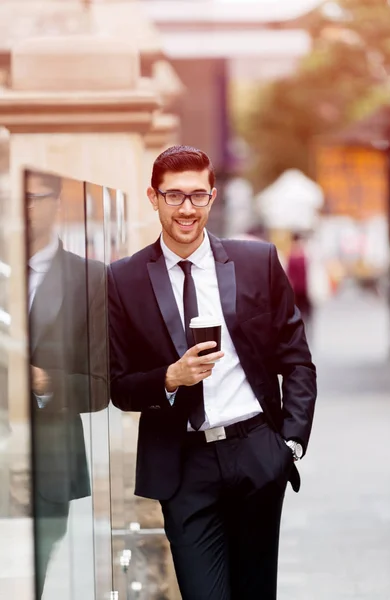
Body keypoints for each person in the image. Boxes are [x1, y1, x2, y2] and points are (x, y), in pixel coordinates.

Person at [108, 146, 317, 600]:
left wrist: (290, 444)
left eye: (198, 196)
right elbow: (119, 386)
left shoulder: (256, 262)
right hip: (183, 465)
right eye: (175, 196)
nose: (187, 209)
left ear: (213, 196)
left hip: (257, 452)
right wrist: (170, 377)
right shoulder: (122, 280)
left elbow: (296, 358)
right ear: (154, 197)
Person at [26, 170, 109, 597]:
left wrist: (45, 383)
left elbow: (99, 387)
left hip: (47, 463)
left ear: (57, 204)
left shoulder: (89, 277)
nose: (21, 207)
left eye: (33, 197)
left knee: (27, 581)